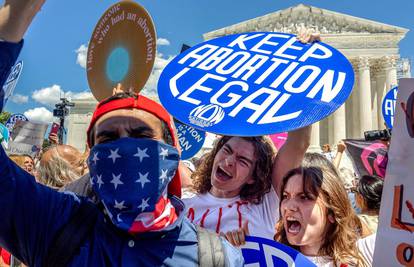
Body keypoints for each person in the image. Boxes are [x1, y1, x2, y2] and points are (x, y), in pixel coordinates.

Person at [183, 127, 310, 244]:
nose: (229, 161)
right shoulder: (183, 204)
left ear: (253, 177)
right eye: (227, 150)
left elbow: (299, 143)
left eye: (242, 160)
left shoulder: (264, 206)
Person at [275, 166, 374, 266]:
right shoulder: (272, 259)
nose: (289, 206)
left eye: (304, 197)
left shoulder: (363, 253)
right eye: (285, 196)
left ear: (332, 212)